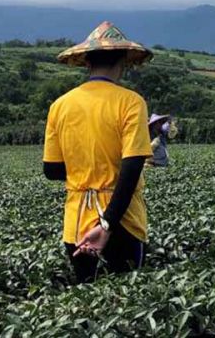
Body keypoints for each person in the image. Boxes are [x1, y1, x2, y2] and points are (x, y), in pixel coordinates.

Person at [42, 21, 154, 284]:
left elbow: (52, 170)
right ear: (123, 63)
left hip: (77, 220)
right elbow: (131, 168)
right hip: (122, 221)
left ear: (88, 63)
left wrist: (86, 170)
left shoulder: (60, 105)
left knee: (86, 299)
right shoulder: (130, 102)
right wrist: (107, 225)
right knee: (129, 297)